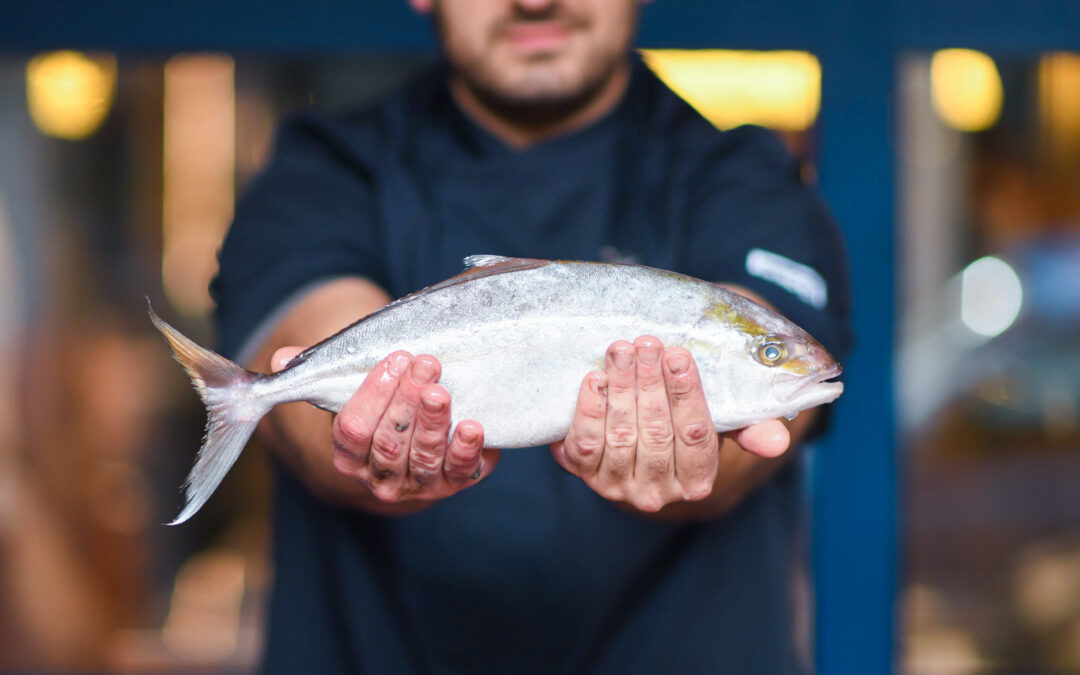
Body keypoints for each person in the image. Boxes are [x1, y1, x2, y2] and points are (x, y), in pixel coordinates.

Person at [211, 0, 852, 672]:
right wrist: (366, 424)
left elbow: (766, 387)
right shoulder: (322, 170)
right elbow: (308, 333)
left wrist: (703, 444)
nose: (536, 1)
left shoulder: (742, 176)